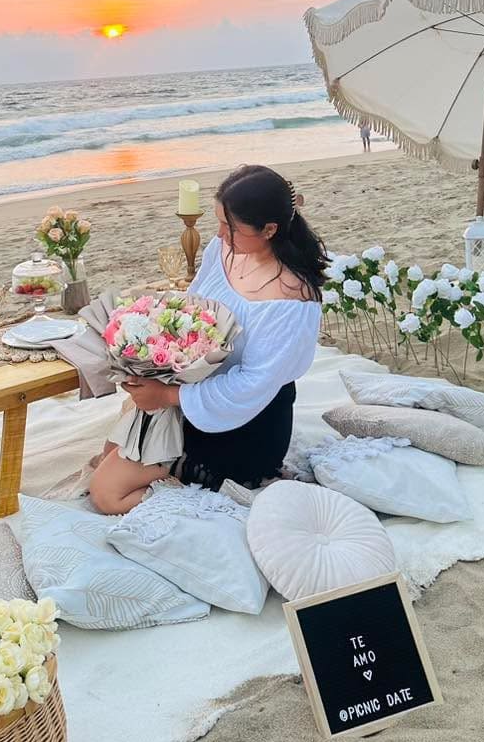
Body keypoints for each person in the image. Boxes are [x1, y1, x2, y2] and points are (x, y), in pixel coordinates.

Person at [89, 164, 326, 514]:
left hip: (243, 422)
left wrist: (167, 395)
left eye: (230, 227)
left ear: (270, 229)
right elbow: (195, 307)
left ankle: (209, 494)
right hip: (189, 392)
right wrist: (157, 352)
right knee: (105, 457)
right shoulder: (224, 249)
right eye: (219, 221)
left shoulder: (292, 299)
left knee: (106, 494)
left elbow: (252, 383)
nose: (220, 234)